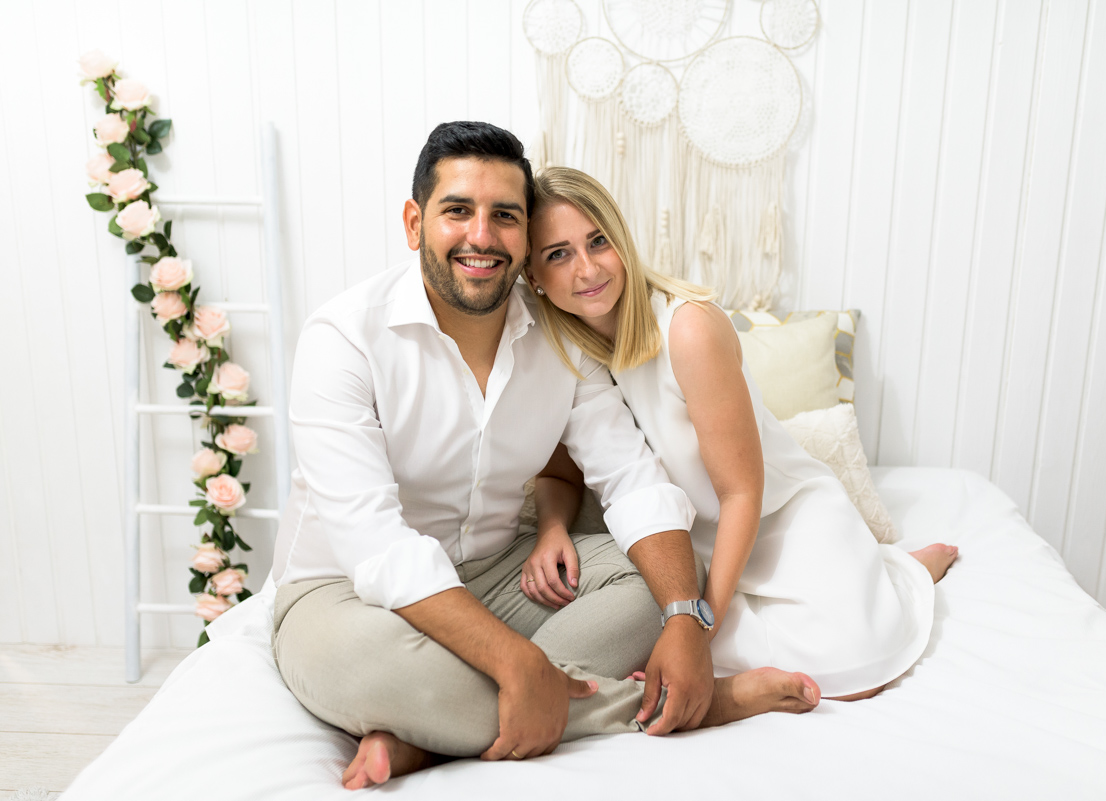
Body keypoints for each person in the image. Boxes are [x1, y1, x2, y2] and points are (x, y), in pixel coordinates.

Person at [270, 122, 819, 791]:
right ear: (415, 223)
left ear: (526, 235)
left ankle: (433, 731)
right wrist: (515, 662)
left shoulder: (557, 337)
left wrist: (685, 619)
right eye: (457, 210)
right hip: (344, 594)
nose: (481, 235)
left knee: (664, 580)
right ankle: (680, 706)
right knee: (364, 668)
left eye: (505, 216)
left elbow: (632, 478)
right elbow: (375, 545)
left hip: (496, 574)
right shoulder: (342, 338)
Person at [523, 166, 958, 701]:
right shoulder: (562, 352)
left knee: (857, 670)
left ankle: (901, 575)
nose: (587, 268)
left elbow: (741, 493)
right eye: (558, 254)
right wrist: (550, 529)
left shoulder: (688, 328)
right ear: (533, 276)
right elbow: (561, 473)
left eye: (598, 242)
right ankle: (880, 579)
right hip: (685, 544)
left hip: (775, 517)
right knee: (635, 642)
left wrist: (702, 626)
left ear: (623, 242)